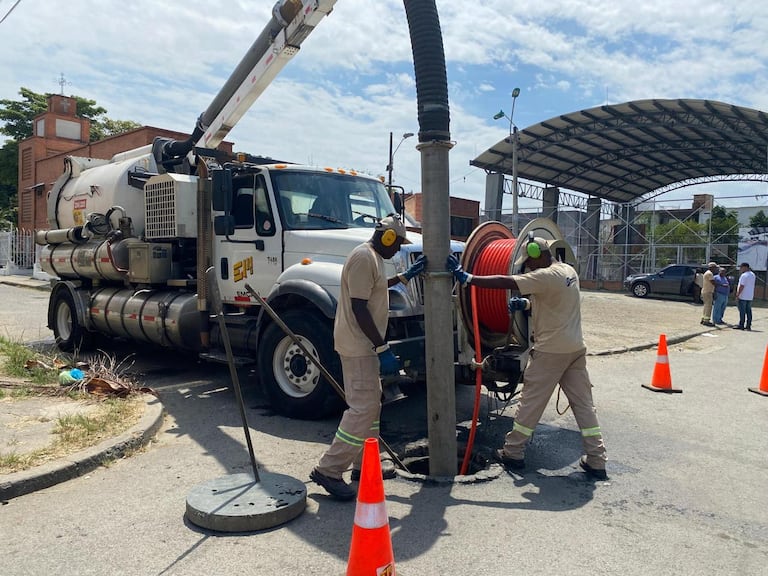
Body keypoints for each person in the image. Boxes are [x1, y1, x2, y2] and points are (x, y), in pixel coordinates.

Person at [446, 237, 608, 480]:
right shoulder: (568, 271)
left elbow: (506, 281)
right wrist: (526, 304)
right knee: (584, 405)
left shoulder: (544, 276)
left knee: (531, 403)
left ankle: (513, 452)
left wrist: (469, 278)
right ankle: (597, 459)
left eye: (528, 263)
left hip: (550, 352)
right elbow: (554, 300)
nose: (528, 268)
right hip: (575, 349)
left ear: (536, 253)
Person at [310, 215, 426, 500]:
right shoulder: (364, 257)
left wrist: (402, 278)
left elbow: (372, 288)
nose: (398, 249)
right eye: (397, 243)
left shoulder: (372, 258)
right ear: (387, 237)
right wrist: (381, 347)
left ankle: (364, 466)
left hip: (363, 346)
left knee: (372, 405)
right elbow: (360, 307)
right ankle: (329, 469)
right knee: (362, 408)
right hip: (359, 346)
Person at [734, 262, 755, 331]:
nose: (740, 269)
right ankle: (748, 325)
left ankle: (741, 325)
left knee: (742, 311)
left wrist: (737, 294)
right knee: (749, 311)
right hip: (749, 296)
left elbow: (742, 286)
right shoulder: (752, 274)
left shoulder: (744, 275)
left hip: (743, 295)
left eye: (741, 267)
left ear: (745, 267)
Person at [700, 262, 718, 327]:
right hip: (708, 292)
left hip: (705, 291)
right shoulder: (710, 274)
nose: (716, 269)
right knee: (709, 306)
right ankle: (706, 321)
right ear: (711, 268)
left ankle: (703, 319)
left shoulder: (707, 273)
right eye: (715, 268)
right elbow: (713, 282)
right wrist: (720, 285)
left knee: (706, 306)